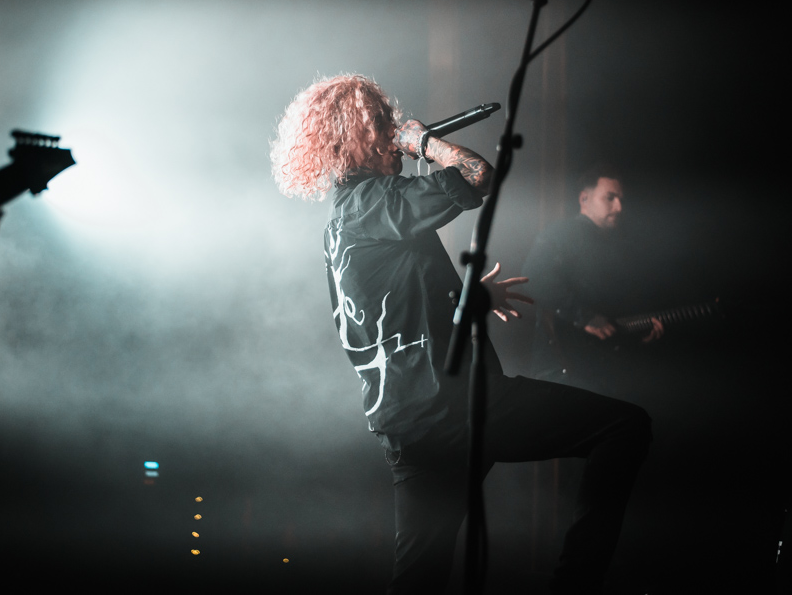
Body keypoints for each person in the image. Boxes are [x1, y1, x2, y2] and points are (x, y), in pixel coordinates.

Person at [270, 74, 652, 594]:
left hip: (409, 421)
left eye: (390, 125)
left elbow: (386, 314)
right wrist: (423, 143)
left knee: (418, 580)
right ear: (353, 138)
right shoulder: (375, 202)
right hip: (450, 405)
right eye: (379, 126)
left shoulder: (344, 221)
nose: (390, 136)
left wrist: (467, 302)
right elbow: (476, 176)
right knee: (624, 428)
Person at [521, 165, 663, 395]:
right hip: (563, 368)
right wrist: (583, 316)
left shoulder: (620, 246)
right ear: (584, 198)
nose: (619, 207)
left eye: (620, 199)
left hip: (607, 370)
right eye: (610, 198)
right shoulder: (560, 234)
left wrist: (639, 329)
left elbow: (614, 309)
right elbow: (533, 277)